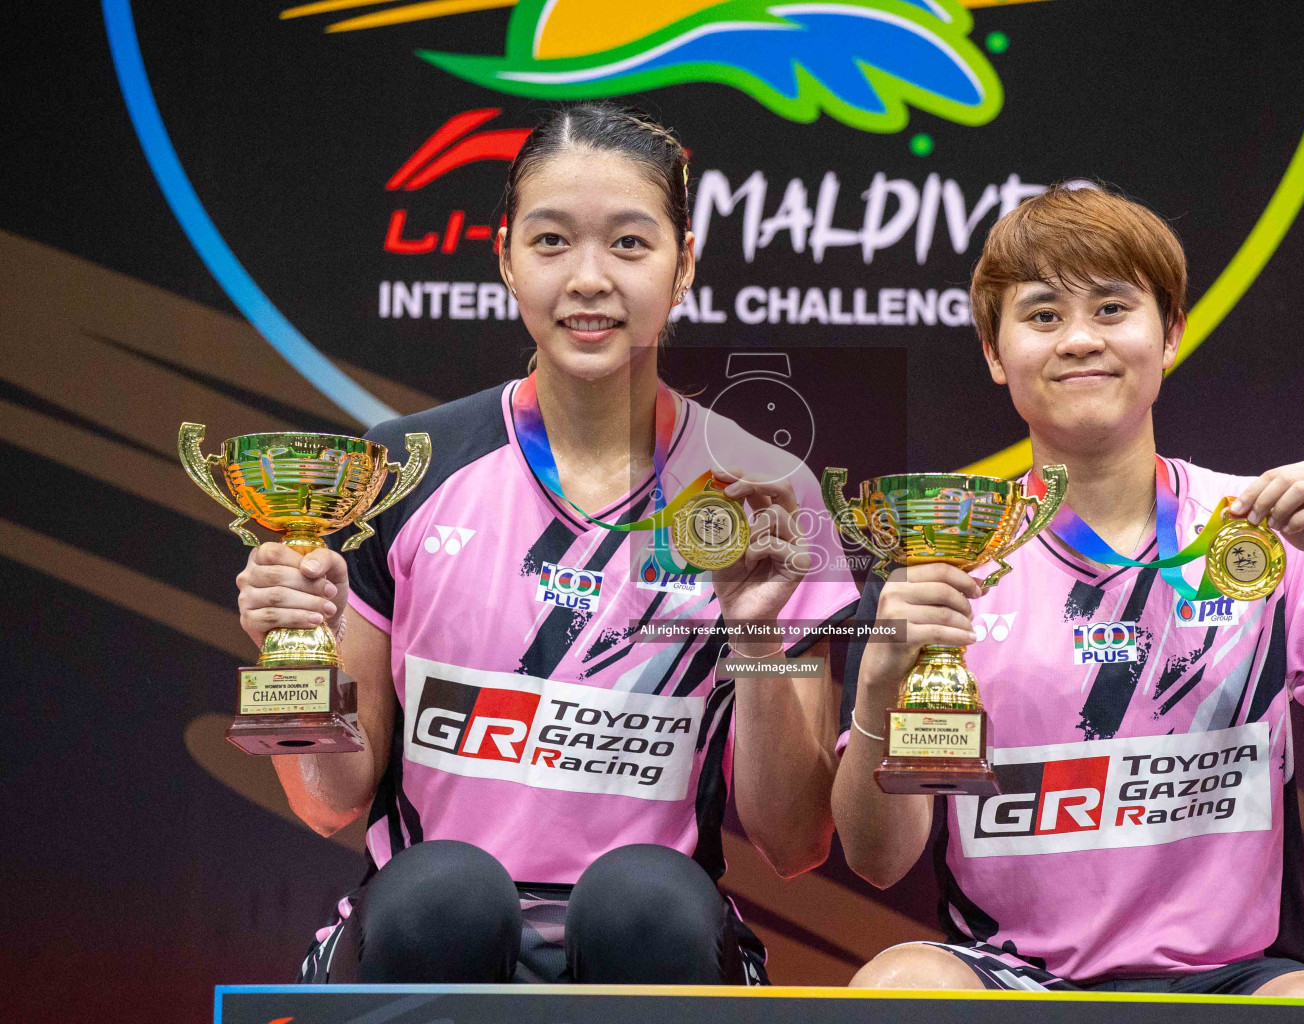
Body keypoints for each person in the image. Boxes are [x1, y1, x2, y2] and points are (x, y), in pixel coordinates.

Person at [234, 103, 860, 984]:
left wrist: (754, 638)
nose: (589, 279)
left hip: (658, 944)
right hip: (424, 933)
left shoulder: (764, 491)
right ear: (505, 259)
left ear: (685, 264)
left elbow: (795, 841)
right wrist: (289, 644)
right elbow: (328, 800)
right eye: (553, 241)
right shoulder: (400, 470)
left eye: (631, 245)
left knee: (649, 898)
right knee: (442, 894)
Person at [831, 185, 1304, 1022]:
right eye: (1044, 315)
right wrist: (881, 681)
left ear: (1171, 334)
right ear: (994, 350)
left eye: (1113, 306)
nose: (1081, 339)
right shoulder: (943, 562)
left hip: (1231, 979)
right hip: (1009, 978)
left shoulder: (1262, 538)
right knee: (899, 988)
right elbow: (880, 861)